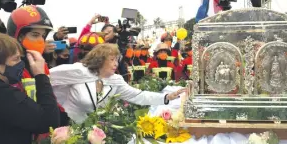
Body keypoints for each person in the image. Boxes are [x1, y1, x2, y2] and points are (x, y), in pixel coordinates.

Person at [49, 43, 185, 124]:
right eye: (112, 59)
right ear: (99, 60)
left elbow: (138, 96)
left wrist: (166, 97)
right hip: (66, 126)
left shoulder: (116, 80)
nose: (116, 64)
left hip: (93, 132)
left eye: (117, 60)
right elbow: (46, 78)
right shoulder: (78, 71)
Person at [6, 5, 69, 128]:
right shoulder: (8, 68)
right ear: (18, 37)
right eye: (35, 35)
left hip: (42, 130)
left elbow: (49, 96)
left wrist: (62, 116)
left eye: (43, 35)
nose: (41, 40)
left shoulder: (40, 64)